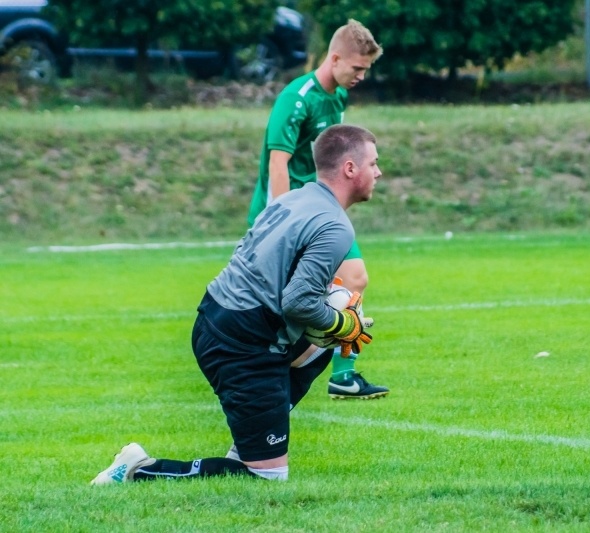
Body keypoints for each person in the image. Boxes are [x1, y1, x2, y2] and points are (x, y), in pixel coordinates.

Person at [91, 124, 380, 484]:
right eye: (373, 163)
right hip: (242, 342)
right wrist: (343, 323)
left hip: (216, 317)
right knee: (267, 477)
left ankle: (255, 439)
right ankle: (136, 469)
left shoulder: (293, 199)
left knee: (324, 344)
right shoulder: (335, 226)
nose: (378, 172)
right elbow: (298, 302)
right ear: (350, 168)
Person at [248, 18, 388, 400]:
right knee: (280, 309)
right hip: (287, 217)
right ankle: (265, 376)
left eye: (366, 69)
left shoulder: (337, 97)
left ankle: (343, 375)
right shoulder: (296, 98)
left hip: (317, 214)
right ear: (335, 58)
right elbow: (278, 164)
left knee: (354, 278)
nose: (361, 76)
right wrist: (281, 220)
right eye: (357, 68)